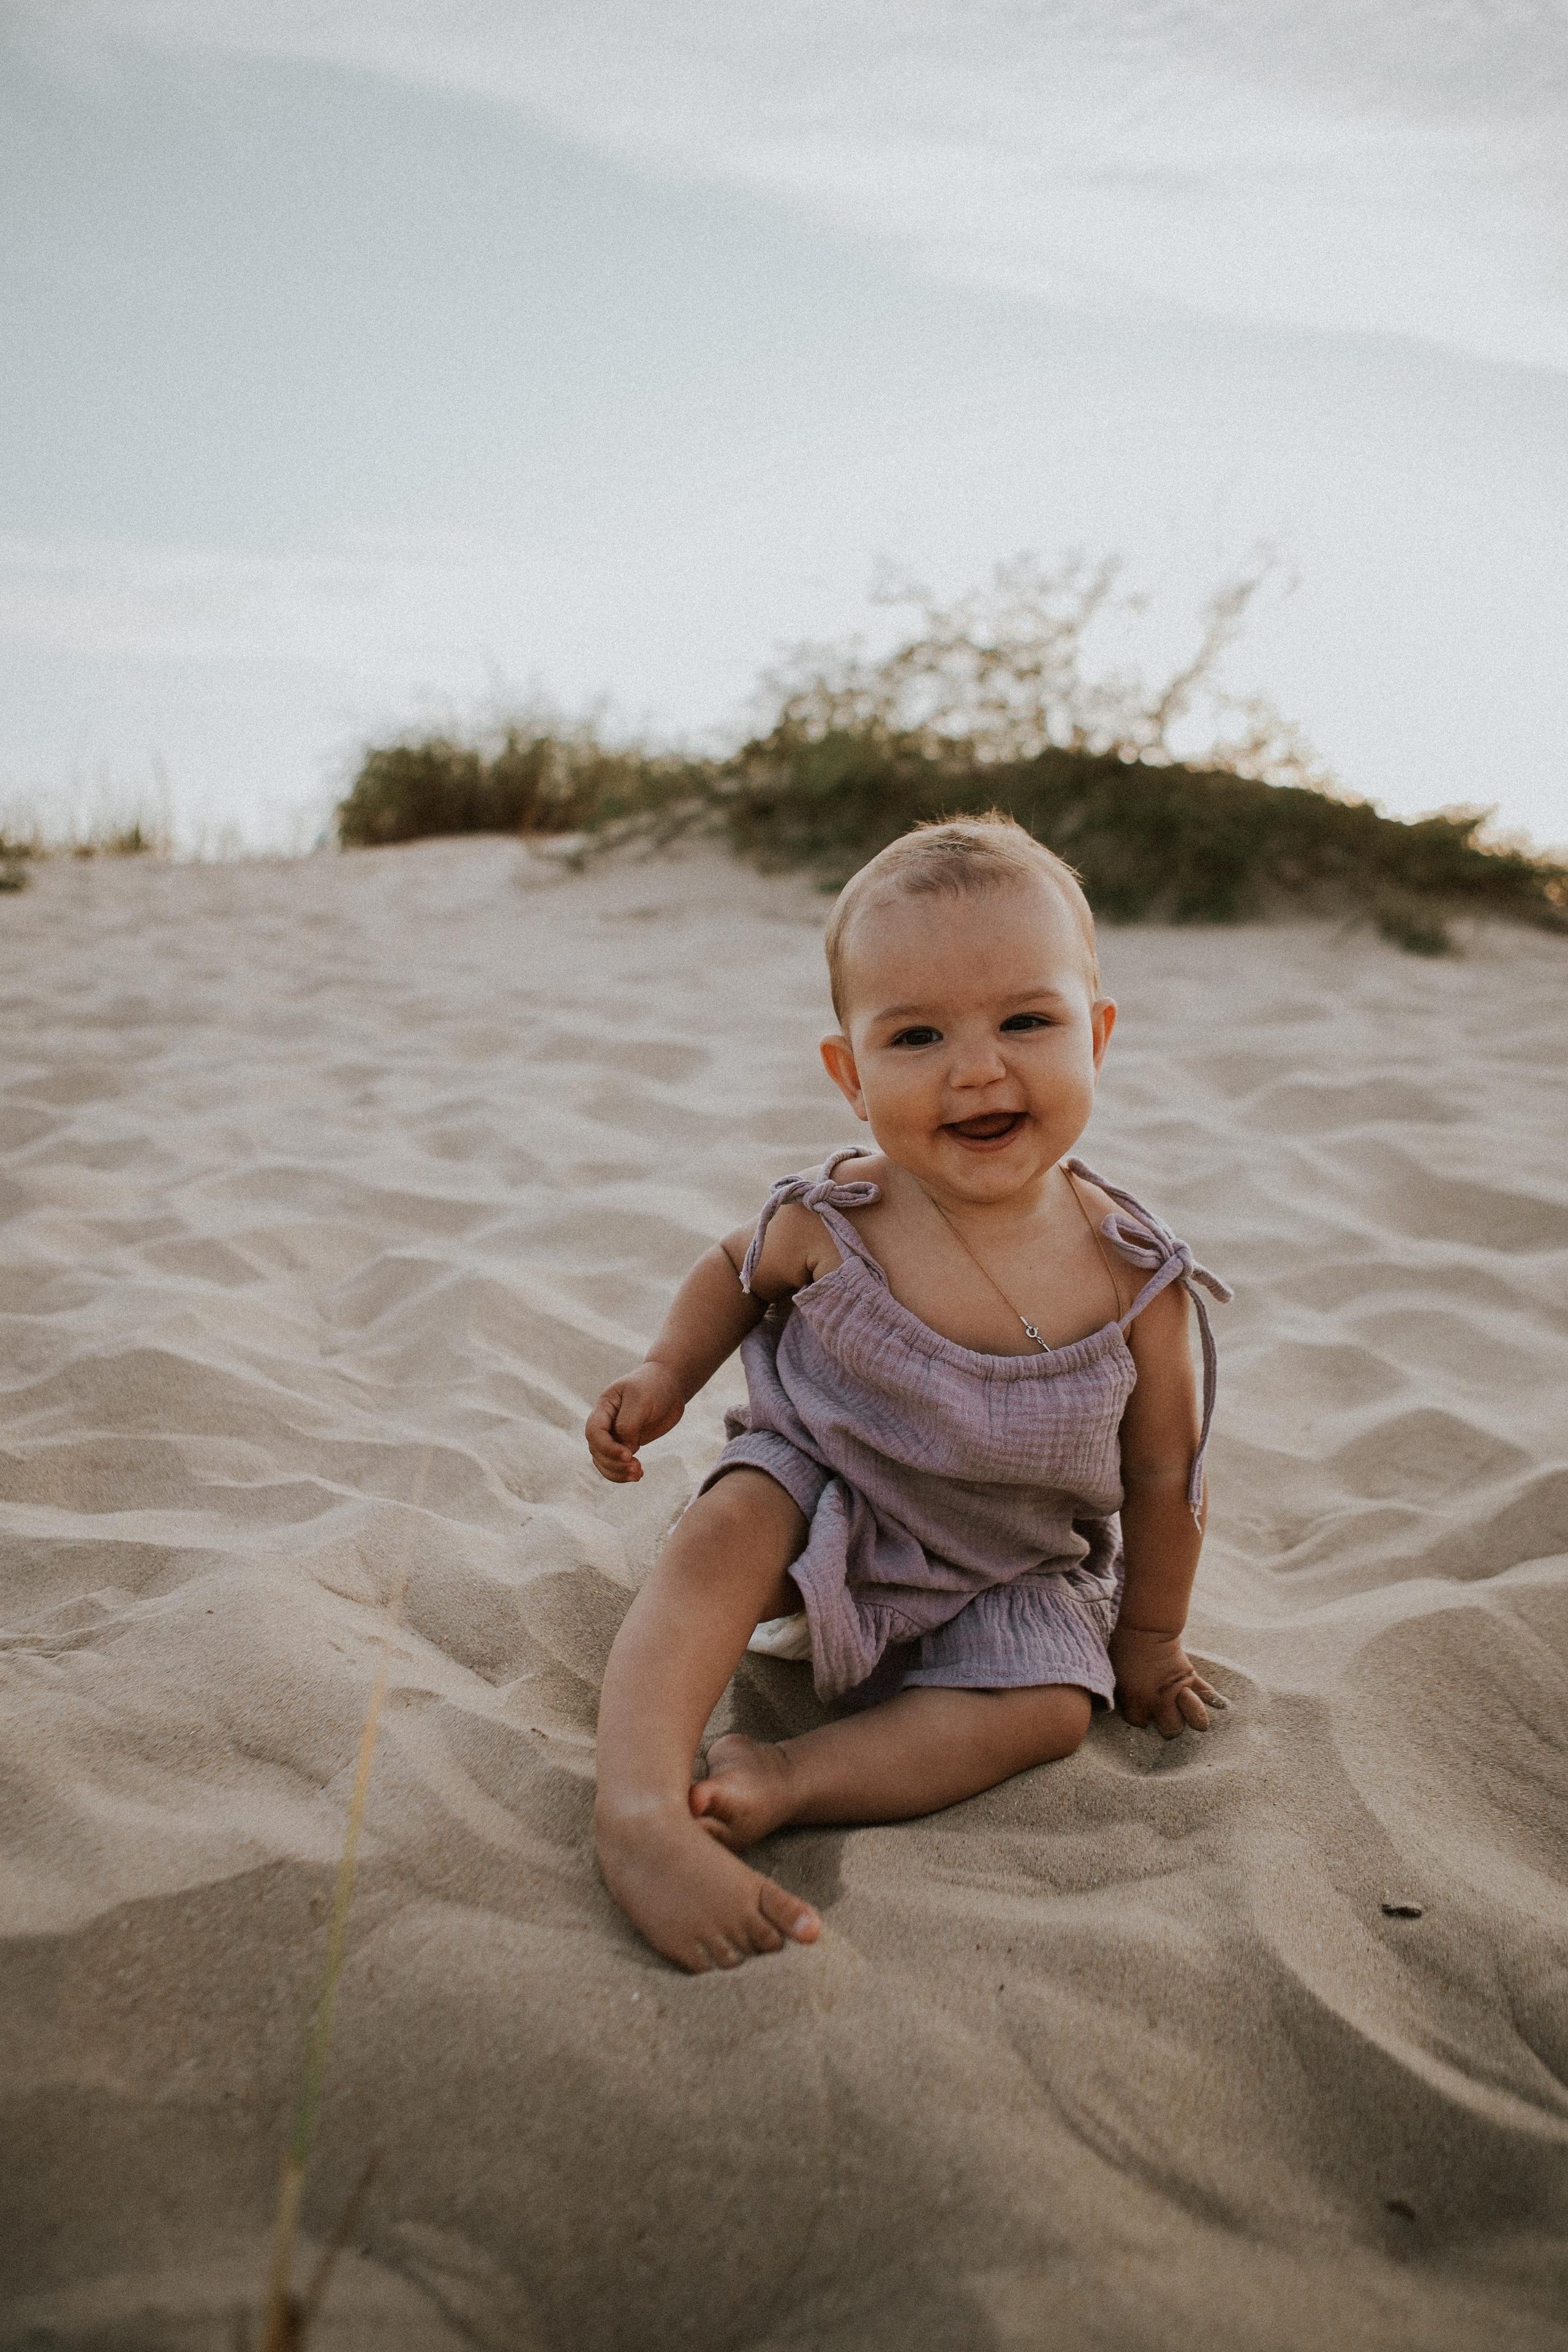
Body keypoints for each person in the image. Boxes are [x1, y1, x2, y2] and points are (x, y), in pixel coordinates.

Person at [585, 814, 1230, 1973]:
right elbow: (731, 1271)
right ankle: (635, 1806)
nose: (976, 1068)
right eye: (917, 1034)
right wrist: (665, 1374)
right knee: (729, 1520)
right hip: (827, 1492)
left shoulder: (1141, 1283)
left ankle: (789, 1778)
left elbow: (1165, 1475)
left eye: (1027, 1021)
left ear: (1099, 1035)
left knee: (1045, 1711)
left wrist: (1151, 1638)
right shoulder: (840, 1219)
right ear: (851, 1072)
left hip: (1002, 1566)